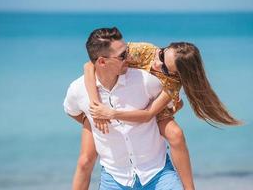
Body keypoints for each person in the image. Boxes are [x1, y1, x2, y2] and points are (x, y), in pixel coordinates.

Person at [83, 28, 242, 188]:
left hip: (152, 105)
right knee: (85, 159)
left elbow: (149, 114)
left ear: (178, 74)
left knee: (176, 135)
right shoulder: (145, 51)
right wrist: (96, 106)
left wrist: (112, 113)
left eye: (165, 68)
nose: (157, 63)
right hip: (130, 97)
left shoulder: (174, 82)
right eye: (162, 55)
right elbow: (89, 65)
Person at [63, 27, 186, 190]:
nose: (129, 57)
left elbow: (173, 104)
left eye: (127, 51)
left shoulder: (145, 81)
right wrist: (92, 120)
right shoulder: (78, 89)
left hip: (157, 172)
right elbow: (72, 111)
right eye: (122, 56)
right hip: (115, 178)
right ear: (101, 62)